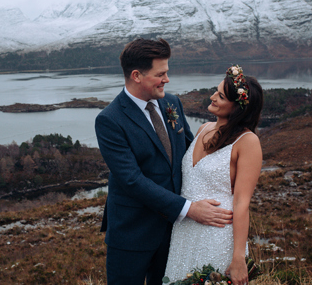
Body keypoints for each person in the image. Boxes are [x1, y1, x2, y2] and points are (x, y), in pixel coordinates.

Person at [95, 38, 233, 285]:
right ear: (137, 75)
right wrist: (190, 209)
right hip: (132, 233)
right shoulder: (109, 120)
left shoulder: (172, 103)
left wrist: (236, 144)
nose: (167, 79)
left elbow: (192, 153)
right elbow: (132, 181)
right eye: (161, 74)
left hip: (175, 232)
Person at [164, 65, 264, 285]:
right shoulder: (203, 129)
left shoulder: (248, 142)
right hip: (184, 231)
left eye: (220, 96)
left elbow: (241, 202)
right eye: (216, 91)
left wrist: (238, 256)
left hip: (217, 235)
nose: (212, 97)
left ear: (237, 108)